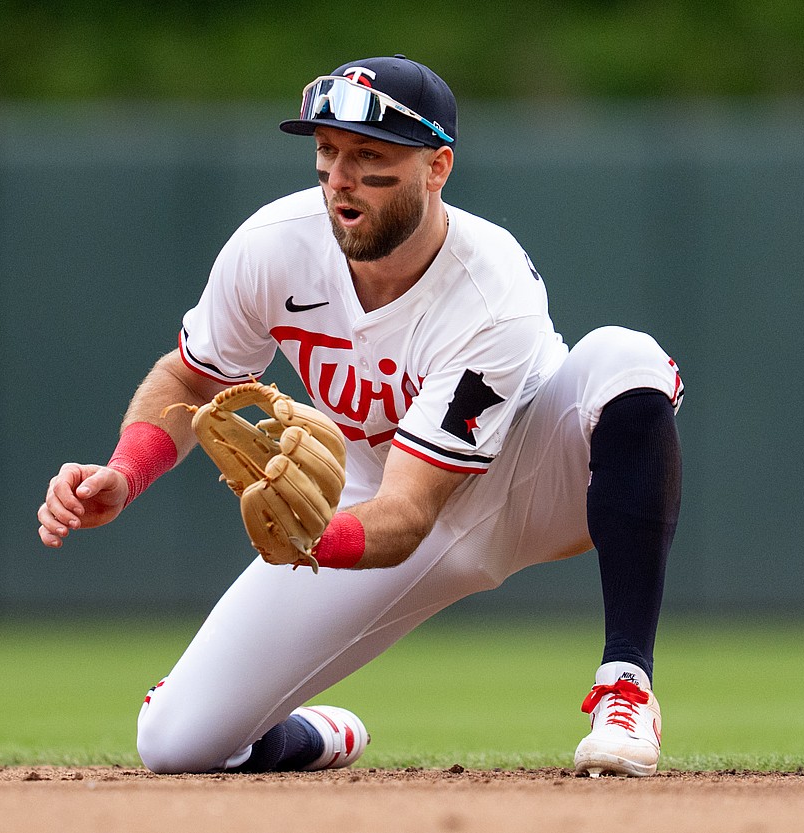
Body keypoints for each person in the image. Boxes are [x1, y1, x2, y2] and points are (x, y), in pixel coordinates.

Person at [37, 54, 684, 778]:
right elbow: (189, 374)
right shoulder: (274, 245)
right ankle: (309, 733)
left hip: (530, 475)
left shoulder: (489, 285)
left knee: (626, 360)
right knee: (174, 742)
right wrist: (126, 471)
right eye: (327, 151)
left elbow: (411, 514)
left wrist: (311, 536)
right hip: (368, 492)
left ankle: (625, 685)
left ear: (437, 167)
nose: (339, 177)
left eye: (369, 156)